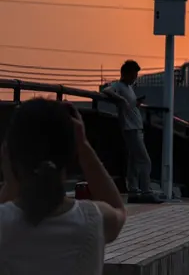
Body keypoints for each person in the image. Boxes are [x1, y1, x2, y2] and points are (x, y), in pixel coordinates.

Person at [0, 98, 128, 274]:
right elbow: (118, 209)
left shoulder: (4, 223)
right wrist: (83, 146)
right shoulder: (93, 219)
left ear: (9, 155)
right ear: (70, 154)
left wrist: (11, 181)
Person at [102, 59, 157, 203]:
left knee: (133, 162)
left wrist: (135, 103)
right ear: (125, 74)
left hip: (136, 127)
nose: (135, 78)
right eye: (133, 75)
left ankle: (133, 191)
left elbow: (129, 105)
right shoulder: (119, 86)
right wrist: (121, 100)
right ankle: (146, 191)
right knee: (144, 160)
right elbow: (106, 90)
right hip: (130, 128)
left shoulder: (129, 87)